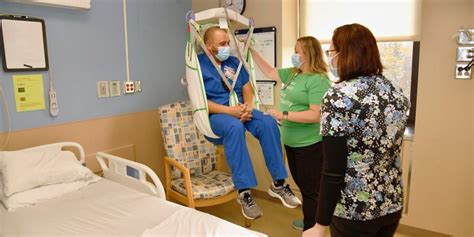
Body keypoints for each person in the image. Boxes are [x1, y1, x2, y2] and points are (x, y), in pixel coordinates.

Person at [303, 23, 410, 237]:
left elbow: (333, 171)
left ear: (345, 54)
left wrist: (319, 225)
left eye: (331, 51)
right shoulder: (395, 90)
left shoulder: (339, 96)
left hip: (354, 209)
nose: (330, 58)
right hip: (390, 203)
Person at [198, 26, 301, 220]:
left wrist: (247, 107)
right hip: (218, 115)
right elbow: (200, 101)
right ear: (209, 45)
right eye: (222, 44)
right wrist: (231, 111)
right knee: (234, 127)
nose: (226, 47)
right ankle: (244, 192)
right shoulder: (198, 65)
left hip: (241, 110)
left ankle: (278, 184)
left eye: (228, 43)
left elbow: (247, 89)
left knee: (268, 123)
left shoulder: (235, 63)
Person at [250, 36, 331, 231]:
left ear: (308, 54)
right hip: (291, 143)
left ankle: (311, 230)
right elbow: (269, 71)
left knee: (311, 191)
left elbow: (315, 115)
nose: (294, 55)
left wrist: (283, 114)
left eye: (297, 51)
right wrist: (251, 51)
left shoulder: (319, 80)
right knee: (303, 186)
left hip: (309, 145)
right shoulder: (294, 74)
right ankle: (309, 220)